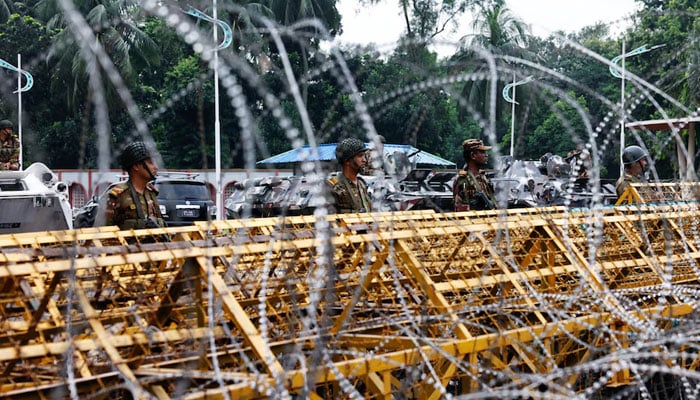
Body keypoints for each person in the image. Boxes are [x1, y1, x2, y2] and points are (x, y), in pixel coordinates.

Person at [99, 141, 165, 229]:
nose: (156, 167)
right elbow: (104, 233)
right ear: (136, 166)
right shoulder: (117, 196)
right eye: (150, 162)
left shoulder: (152, 194)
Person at [328, 137, 372, 213]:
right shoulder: (334, 186)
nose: (364, 160)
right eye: (360, 156)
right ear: (347, 161)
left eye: (364, 156)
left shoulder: (362, 184)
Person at [453, 138, 496, 211]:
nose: (486, 155)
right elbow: (461, 209)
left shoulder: (483, 177)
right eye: (482, 152)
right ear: (473, 155)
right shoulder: (463, 180)